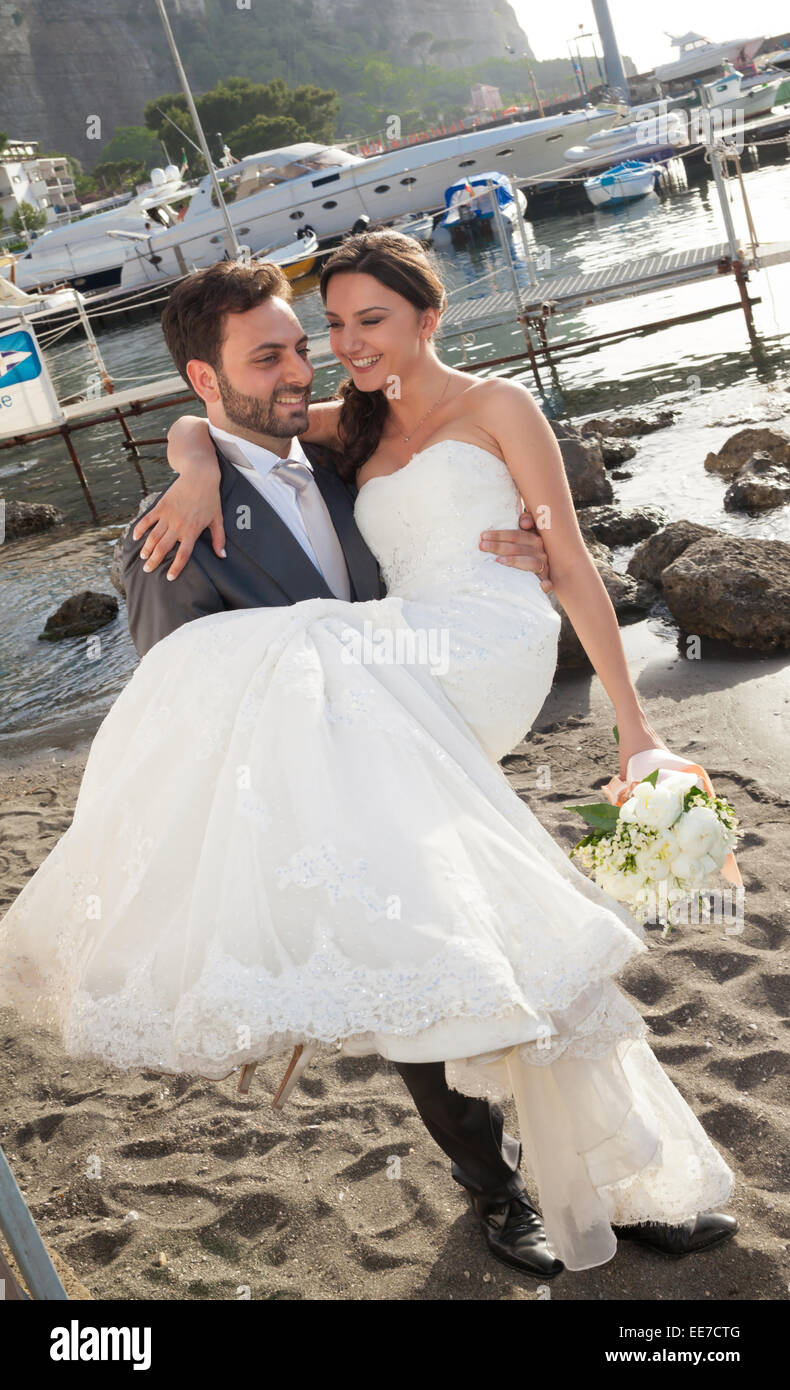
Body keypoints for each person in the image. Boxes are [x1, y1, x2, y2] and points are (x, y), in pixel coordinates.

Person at [0, 235, 737, 1280]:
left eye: (306, 344)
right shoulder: (168, 532)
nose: (306, 366)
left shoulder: (346, 452)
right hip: (330, 782)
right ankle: (504, 1193)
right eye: (271, 357)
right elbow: (190, 700)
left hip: (437, 697)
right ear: (205, 377)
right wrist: (196, 455)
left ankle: (617, 1178)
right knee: (453, 973)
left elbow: (462, 532)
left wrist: (537, 578)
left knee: (508, 953)